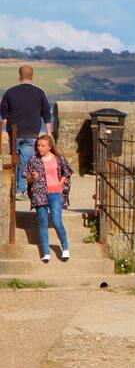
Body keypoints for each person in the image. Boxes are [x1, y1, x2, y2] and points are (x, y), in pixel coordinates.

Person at [1, 65, 53, 201]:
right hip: (31, 134)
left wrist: (6, 133)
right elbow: (47, 115)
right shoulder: (40, 93)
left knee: (13, 161)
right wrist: (49, 134)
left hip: (14, 133)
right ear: (32, 76)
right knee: (25, 162)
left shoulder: (10, 92)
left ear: (19, 76)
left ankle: (11, 188)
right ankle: (20, 190)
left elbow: (4, 116)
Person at [23, 135, 72, 263]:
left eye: (43, 146)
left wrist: (60, 184)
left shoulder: (58, 158)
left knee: (56, 221)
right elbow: (26, 178)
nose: (40, 148)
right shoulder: (33, 160)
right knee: (43, 223)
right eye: (38, 145)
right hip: (39, 194)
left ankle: (65, 247)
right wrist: (33, 177)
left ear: (50, 146)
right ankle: (45, 252)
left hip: (55, 194)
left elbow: (67, 172)